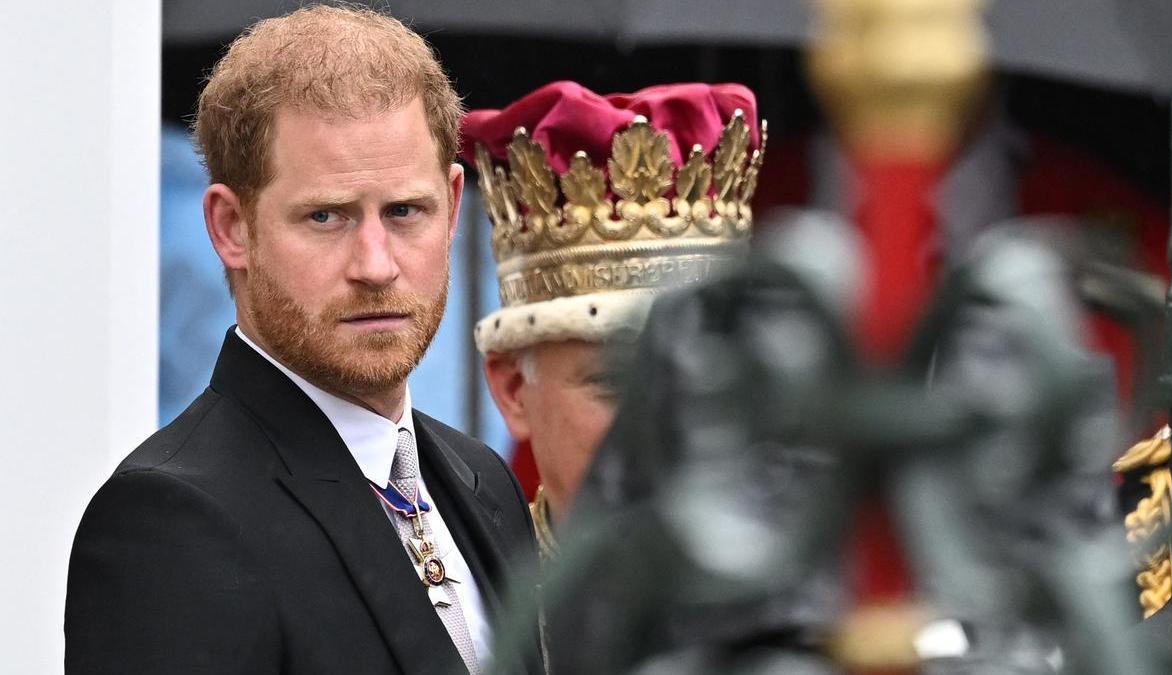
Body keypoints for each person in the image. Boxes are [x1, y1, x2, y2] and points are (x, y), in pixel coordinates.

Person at [64, 7, 537, 674]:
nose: (375, 263)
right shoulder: (170, 521)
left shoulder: (482, 479)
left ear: (454, 206)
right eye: (326, 216)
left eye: (405, 211)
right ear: (231, 227)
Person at [460, 81, 766, 558]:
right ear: (514, 389)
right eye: (616, 382)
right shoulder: (463, 613)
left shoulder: (843, 607)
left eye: (703, 378)